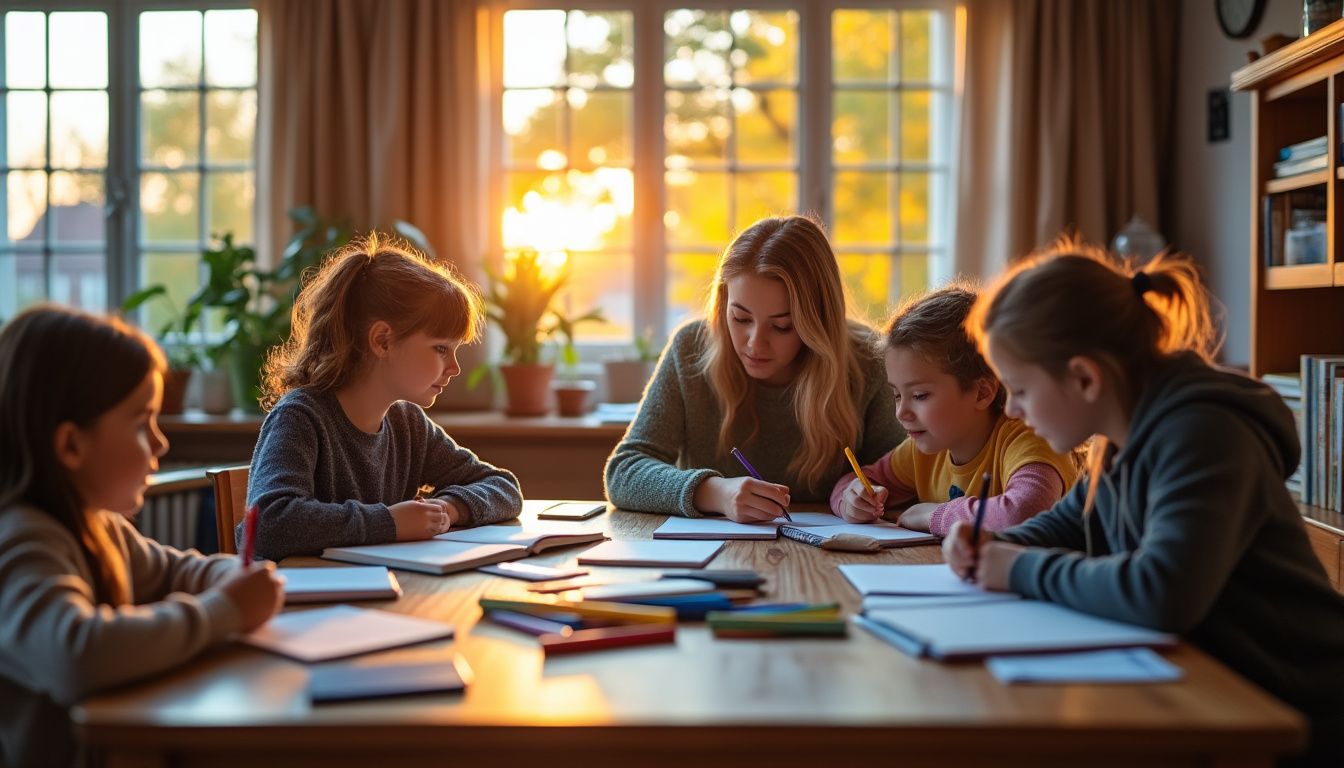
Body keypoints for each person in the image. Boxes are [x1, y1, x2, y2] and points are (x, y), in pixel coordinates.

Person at [947, 243, 1344, 768]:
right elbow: (1074, 524)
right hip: (1212, 688)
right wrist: (992, 543)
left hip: (1299, 712)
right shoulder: (1125, 434)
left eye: (1019, 389)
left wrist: (1017, 568)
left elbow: (1163, 591)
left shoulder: (1204, 433)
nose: (1013, 409)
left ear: (1085, 377)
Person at [0, 307, 283, 768]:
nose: (160, 444)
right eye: (140, 423)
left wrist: (232, 573)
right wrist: (225, 609)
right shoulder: (22, 542)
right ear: (70, 445)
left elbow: (174, 569)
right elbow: (79, 655)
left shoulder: (99, 525)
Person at [604, 215, 902, 520]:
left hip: (833, 556)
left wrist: (865, 494)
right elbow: (625, 470)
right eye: (741, 319)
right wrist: (714, 492)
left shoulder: (870, 361)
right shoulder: (691, 349)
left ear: (817, 322)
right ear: (723, 303)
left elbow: (907, 473)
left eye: (782, 326)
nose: (755, 345)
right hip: (710, 559)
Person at [247, 233, 522, 561]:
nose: (454, 368)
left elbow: (503, 486)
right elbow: (269, 524)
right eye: (440, 349)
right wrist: (389, 522)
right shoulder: (301, 417)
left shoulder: (407, 423)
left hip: (372, 596)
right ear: (382, 341)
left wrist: (449, 509)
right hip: (301, 605)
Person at [830, 286, 1077, 534]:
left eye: (919, 395)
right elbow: (856, 480)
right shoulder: (922, 452)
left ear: (981, 392)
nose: (901, 413)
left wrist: (935, 516)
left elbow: (1023, 512)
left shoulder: (1030, 440)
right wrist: (851, 500)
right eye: (896, 395)